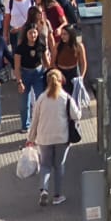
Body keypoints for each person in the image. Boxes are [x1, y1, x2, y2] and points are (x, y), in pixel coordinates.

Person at [26, 69, 81, 206]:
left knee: (45, 165)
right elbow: (76, 116)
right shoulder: (66, 98)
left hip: (44, 138)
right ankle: (57, 195)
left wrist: (30, 138)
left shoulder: (42, 98)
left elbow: (35, 120)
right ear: (61, 80)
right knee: (59, 166)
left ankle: (44, 190)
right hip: (62, 137)